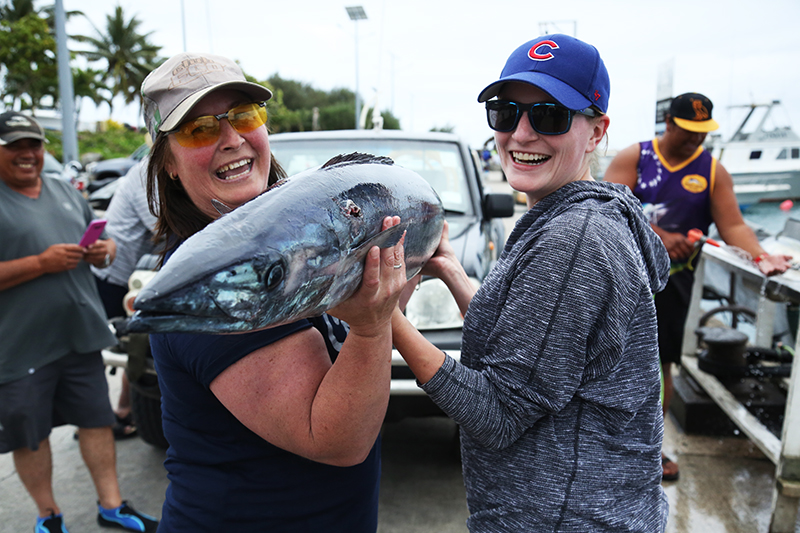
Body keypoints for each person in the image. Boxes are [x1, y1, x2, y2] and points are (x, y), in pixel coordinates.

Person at [390, 34, 671, 532]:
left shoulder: (574, 240)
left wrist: (381, 318)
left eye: (548, 115)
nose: (520, 134)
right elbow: (530, 348)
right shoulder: (588, 217)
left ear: (596, 131)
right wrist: (453, 272)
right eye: (505, 113)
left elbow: (497, 413)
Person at [139, 52, 407, 532]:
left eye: (243, 116)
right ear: (169, 165)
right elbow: (336, 441)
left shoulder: (296, 239)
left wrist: (387, 286)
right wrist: (371, 329)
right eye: (199, 129)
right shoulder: (223, 282)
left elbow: (347, 341)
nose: (231, 138)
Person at [603, 92, 792, 481]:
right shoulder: (635, 158)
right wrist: (659, 235)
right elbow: (608, 208)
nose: (695, 140)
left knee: (661, 363)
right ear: (669, 124)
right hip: (622, 276)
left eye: (702, 133)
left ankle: (650, 448)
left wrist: (761, 256)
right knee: (608, 358)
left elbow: (734, 226)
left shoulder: (712, 170)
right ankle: (604, 442)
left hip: (675, 281)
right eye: (688, 131)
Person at [0, 111, 159, 533]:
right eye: (14, 145)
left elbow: (101, 241)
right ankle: (48, 516)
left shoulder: (63, 191)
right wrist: (40, 263)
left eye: (33, 144)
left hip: (79, 335)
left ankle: (111, 505)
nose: (27, 154)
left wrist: (103, 251)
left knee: (96, 421)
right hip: (18, 345)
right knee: (29, 435)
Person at [91, 157, 159, 440]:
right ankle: (100, 421)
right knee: (123, 344)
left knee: (135, 345)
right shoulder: (148, 173)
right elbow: (165, 226)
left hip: (136, 273)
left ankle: (121, 411)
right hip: (115, 275)